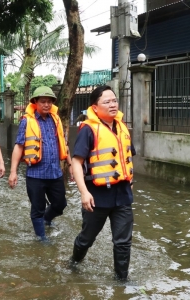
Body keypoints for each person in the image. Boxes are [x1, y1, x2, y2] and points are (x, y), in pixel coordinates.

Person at [70, 85, 135, 281]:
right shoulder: (88, 130)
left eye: (114, 100)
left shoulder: (122, 128)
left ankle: (122, 280)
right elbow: (76, 161)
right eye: (107, 102)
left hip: (122, 194)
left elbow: (129, 157)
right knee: (87, 238)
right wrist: (83, 192)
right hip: (96, 196)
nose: (112, 104)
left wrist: (131, 180)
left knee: (123, 242)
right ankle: (73, 263)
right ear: (95, 107)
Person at [8, 86, 73, 241]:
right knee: (37, 208)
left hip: (55, 173)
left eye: (49, 102)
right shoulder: (27, 122)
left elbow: (64, 144)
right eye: (43, 101)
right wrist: (13, 171)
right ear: (35, 102)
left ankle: (47, 219)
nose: (46, 105)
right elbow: (19, 146)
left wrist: (70, 167)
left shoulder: (56, 120)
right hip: (35, 175)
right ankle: (41, 238)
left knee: (60, 204)